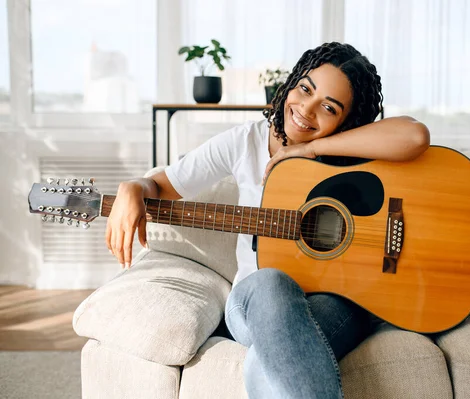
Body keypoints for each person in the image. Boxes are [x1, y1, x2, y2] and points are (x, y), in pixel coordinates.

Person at [106, 42, 430, 399]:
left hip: (335, 300)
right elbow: (161, 185)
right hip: (254, 299)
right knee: (272, 282)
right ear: (291, 83)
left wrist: (308, 150)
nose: (306, 109)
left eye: (329, 107)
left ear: (347, 121)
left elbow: (415, 136)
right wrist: (132, 187)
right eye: (305, 89)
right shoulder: (246, 142)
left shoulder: (351, 149)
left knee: (266, 361)